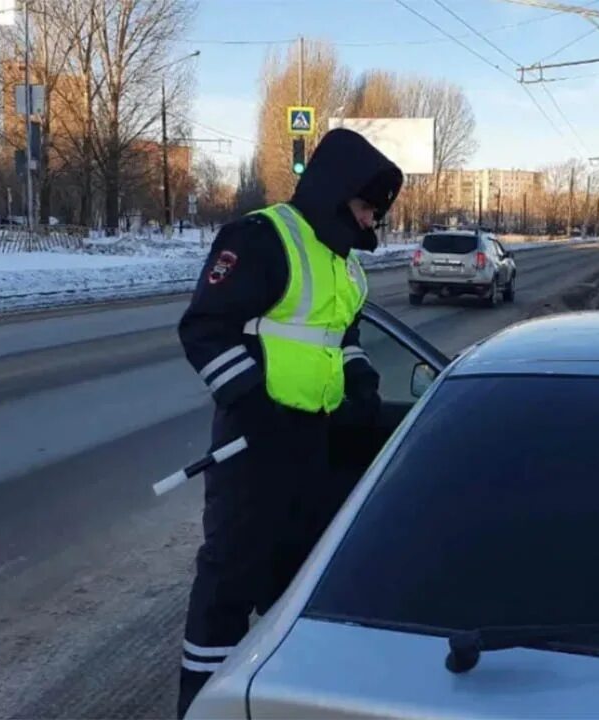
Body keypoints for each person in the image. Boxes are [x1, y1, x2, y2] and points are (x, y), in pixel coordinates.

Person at [174, 128, 403, 717]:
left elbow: (340, 337)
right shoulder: (262, 238)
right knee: (228, 587)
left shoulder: (344, 265)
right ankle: (201, 706)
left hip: (314, 447)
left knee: (297, 588)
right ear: (335, 191)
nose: (370, 218)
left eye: (374, 210)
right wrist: (253, 405)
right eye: (365, 205)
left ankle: (276, 700)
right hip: (253, 448)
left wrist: (360, 386)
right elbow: (204, 329)